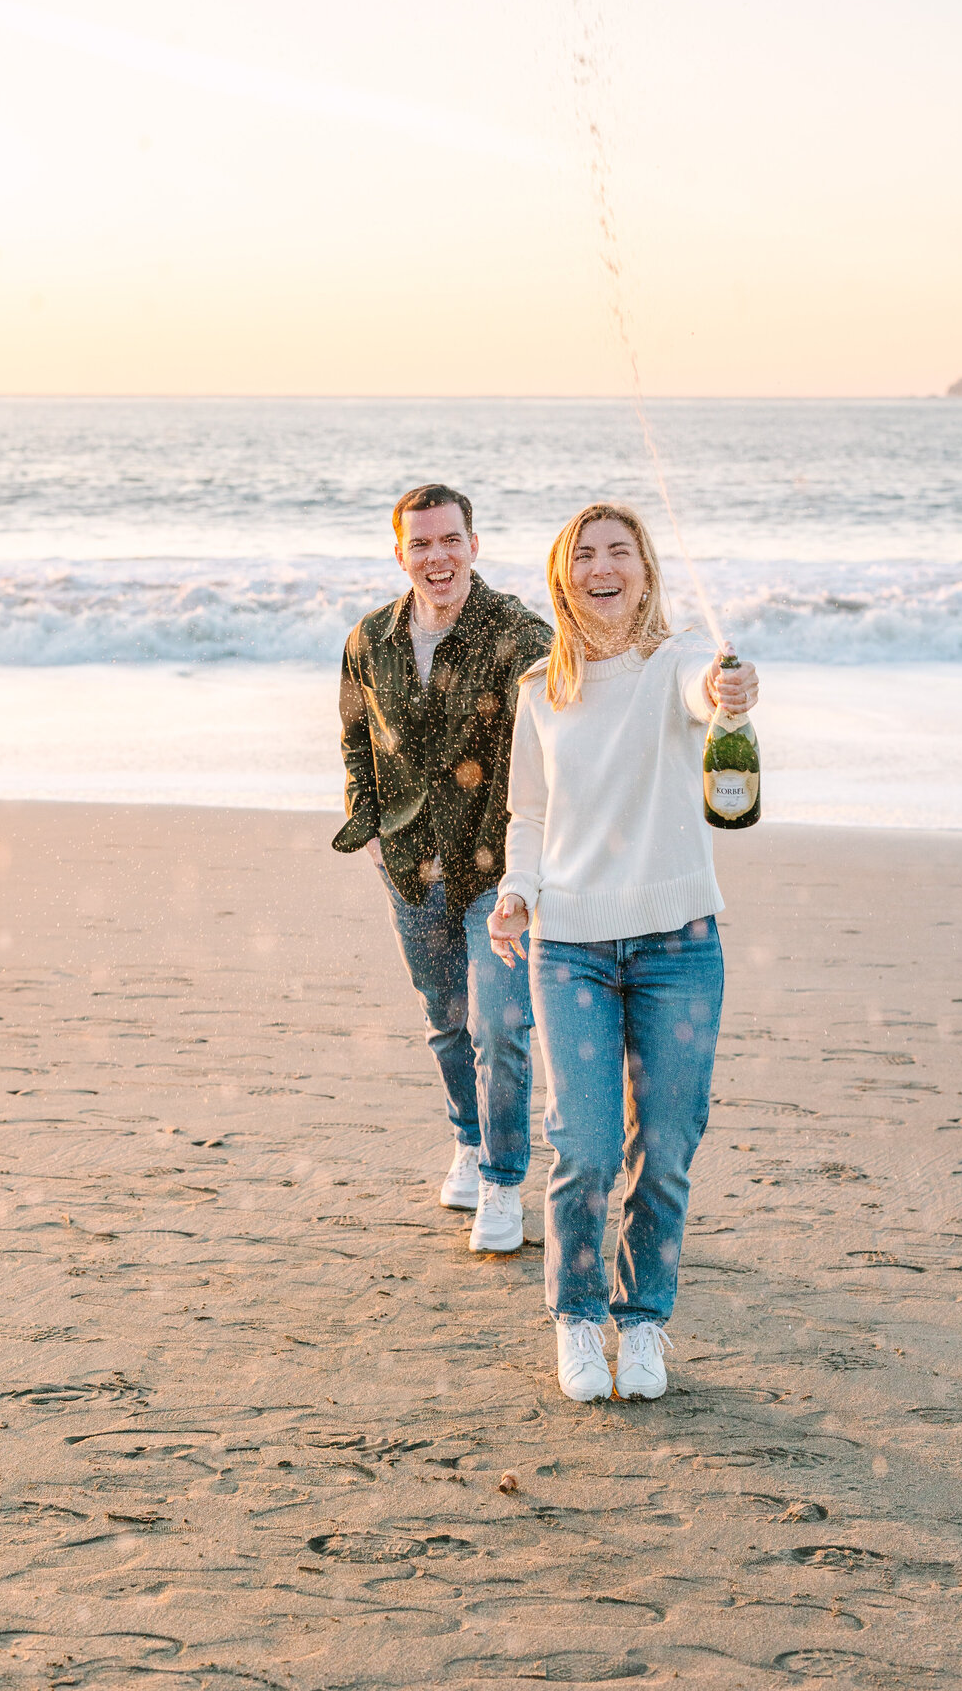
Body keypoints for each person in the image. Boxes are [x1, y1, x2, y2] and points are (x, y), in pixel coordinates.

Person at [487, 502, 758, 1401]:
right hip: (569, 948)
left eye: (620, 553)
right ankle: (576, 1315)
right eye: (585, 557)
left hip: (680, 945)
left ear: (644, 569)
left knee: (669, 1146)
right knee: (587, 1146)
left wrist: (730, 691)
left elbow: (706, 696)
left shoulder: (680, 665)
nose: (603, 568)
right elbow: (528, 813)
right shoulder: (541, 688)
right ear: (565, 578)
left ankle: (642, 1325)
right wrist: (515, 892)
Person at [333, 483, 552, 1252]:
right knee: (445, 1020)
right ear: (400, 553)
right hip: (408, 862)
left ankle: (502, 1179)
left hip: (496, 864)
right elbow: (356, 739)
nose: (437, 557)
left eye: (449, 540)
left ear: (474, 545)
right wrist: (366, 821)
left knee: (500, 1025)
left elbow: (571, 720)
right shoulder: (370, 640)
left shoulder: (519, 634)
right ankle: (468, 1136)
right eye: (420, 544)